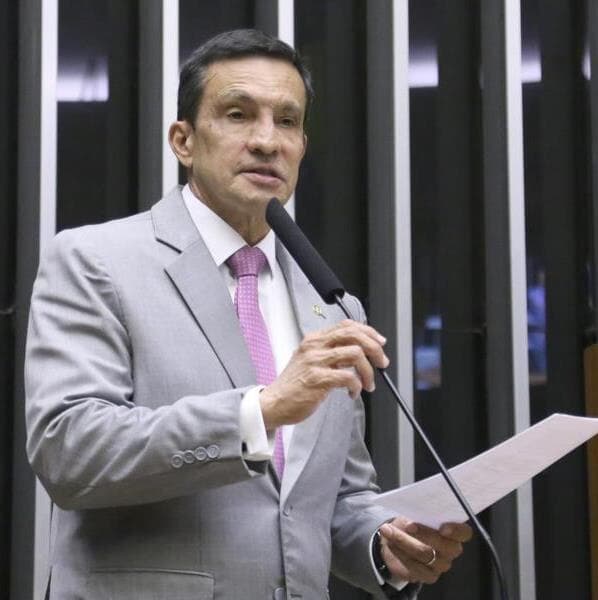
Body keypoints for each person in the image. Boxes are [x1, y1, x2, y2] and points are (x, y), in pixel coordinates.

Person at [25, 29, 471, 599]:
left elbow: (331, 496)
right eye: (238, 114)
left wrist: (382, 542)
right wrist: (262, 410)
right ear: (183, 141)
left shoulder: (330, 305)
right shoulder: (96, 261)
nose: (266, 141)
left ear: (302, 145)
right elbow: (69, 452)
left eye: (287, 121)